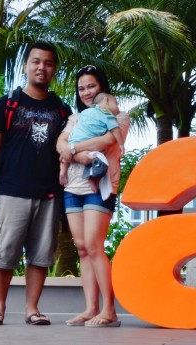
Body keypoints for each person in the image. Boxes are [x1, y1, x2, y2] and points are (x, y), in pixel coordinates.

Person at [0, 41, 71, 326]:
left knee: (40, 255)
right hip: (10, 190)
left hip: (49, 194)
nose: (41, 67)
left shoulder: (62, 111)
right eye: (36, 61)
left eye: (48, 63)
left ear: (54, 69)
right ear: (26, 65)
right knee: (3, 253)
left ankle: (32, 309)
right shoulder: (7, 104)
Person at [56, 65, 130, 327]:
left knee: (95, 246)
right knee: (82, 248)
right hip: (72, 188)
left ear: (102, 88)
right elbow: (59, 144)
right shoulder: (75, 118)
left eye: (91, 86)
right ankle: (90, 308)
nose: (86, 92)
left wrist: (73, 148)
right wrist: (73, 152)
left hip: (100, 187)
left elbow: (107, 141)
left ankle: (109, 311)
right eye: (82, 88)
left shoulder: (117, 114)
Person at [59, 92, 125, 190]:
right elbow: (114, 129)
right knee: (98, 162)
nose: (118, 108)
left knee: (65, 158)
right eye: (116, 104)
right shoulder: (107, 114)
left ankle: (63, 171)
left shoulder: (85, 112)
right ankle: (93, 179)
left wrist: (71, 148)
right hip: (87, 143)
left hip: (72, 140)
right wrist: (121, 144)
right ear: (106, 101)